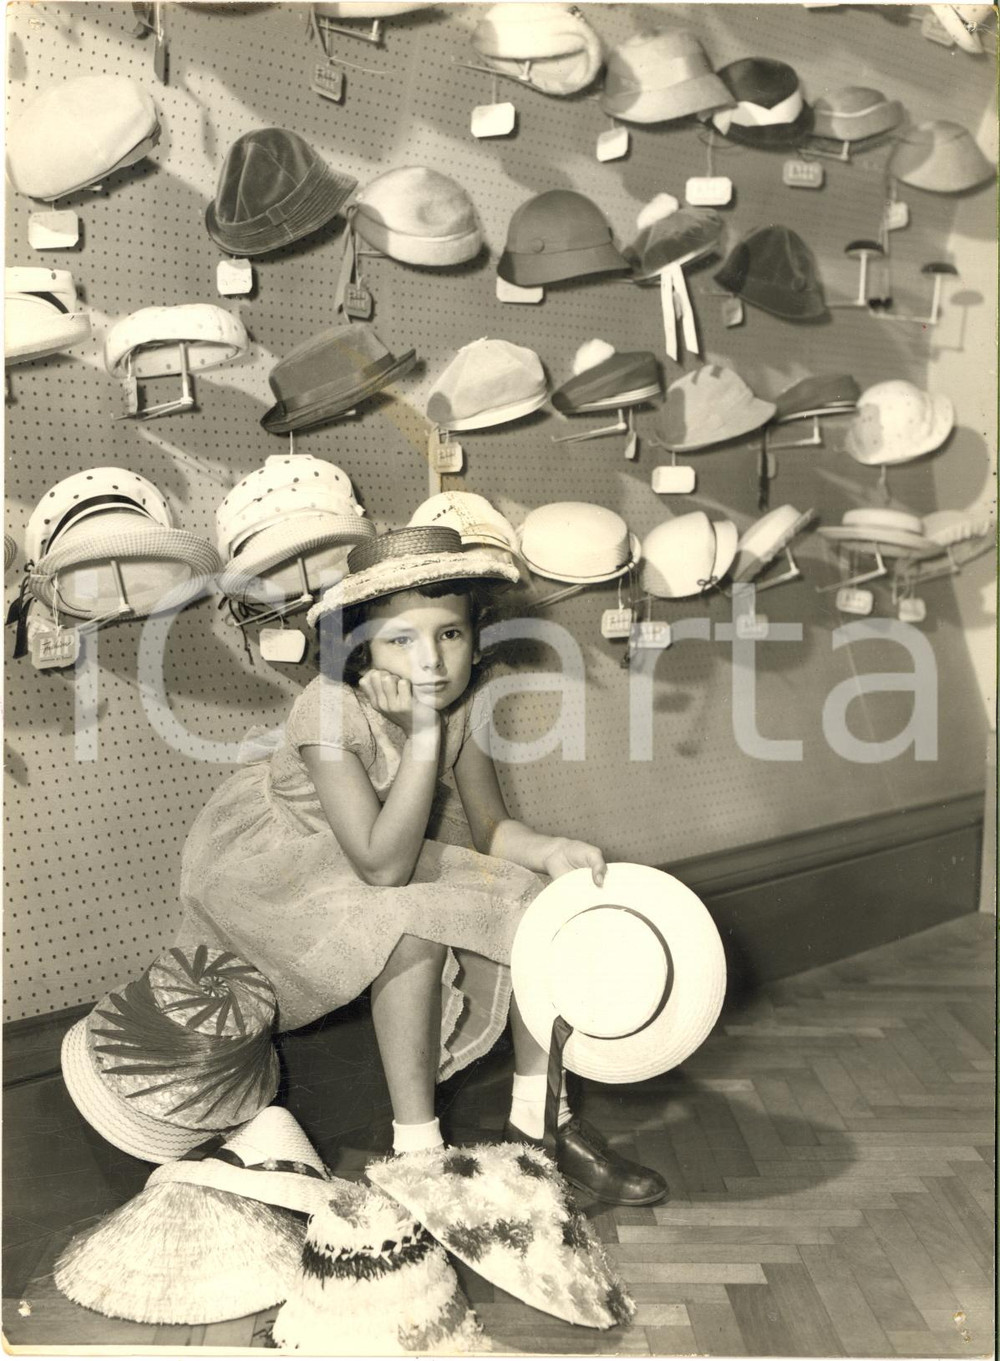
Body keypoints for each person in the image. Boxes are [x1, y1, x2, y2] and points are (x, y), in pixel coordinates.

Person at [177, 525, 666, 1206]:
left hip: (387, 852)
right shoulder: (327, 708)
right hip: (287, 873)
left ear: (475, 636)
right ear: (359, 647)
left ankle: (540, 1121)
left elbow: (492, 828)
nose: (430, 660)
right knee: (410, 923)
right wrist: (426, 734)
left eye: (450, 634)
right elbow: (379, 867)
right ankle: (418, 1150)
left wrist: (548, 851)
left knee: (533, 900)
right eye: (401, 639)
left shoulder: (459, 707)